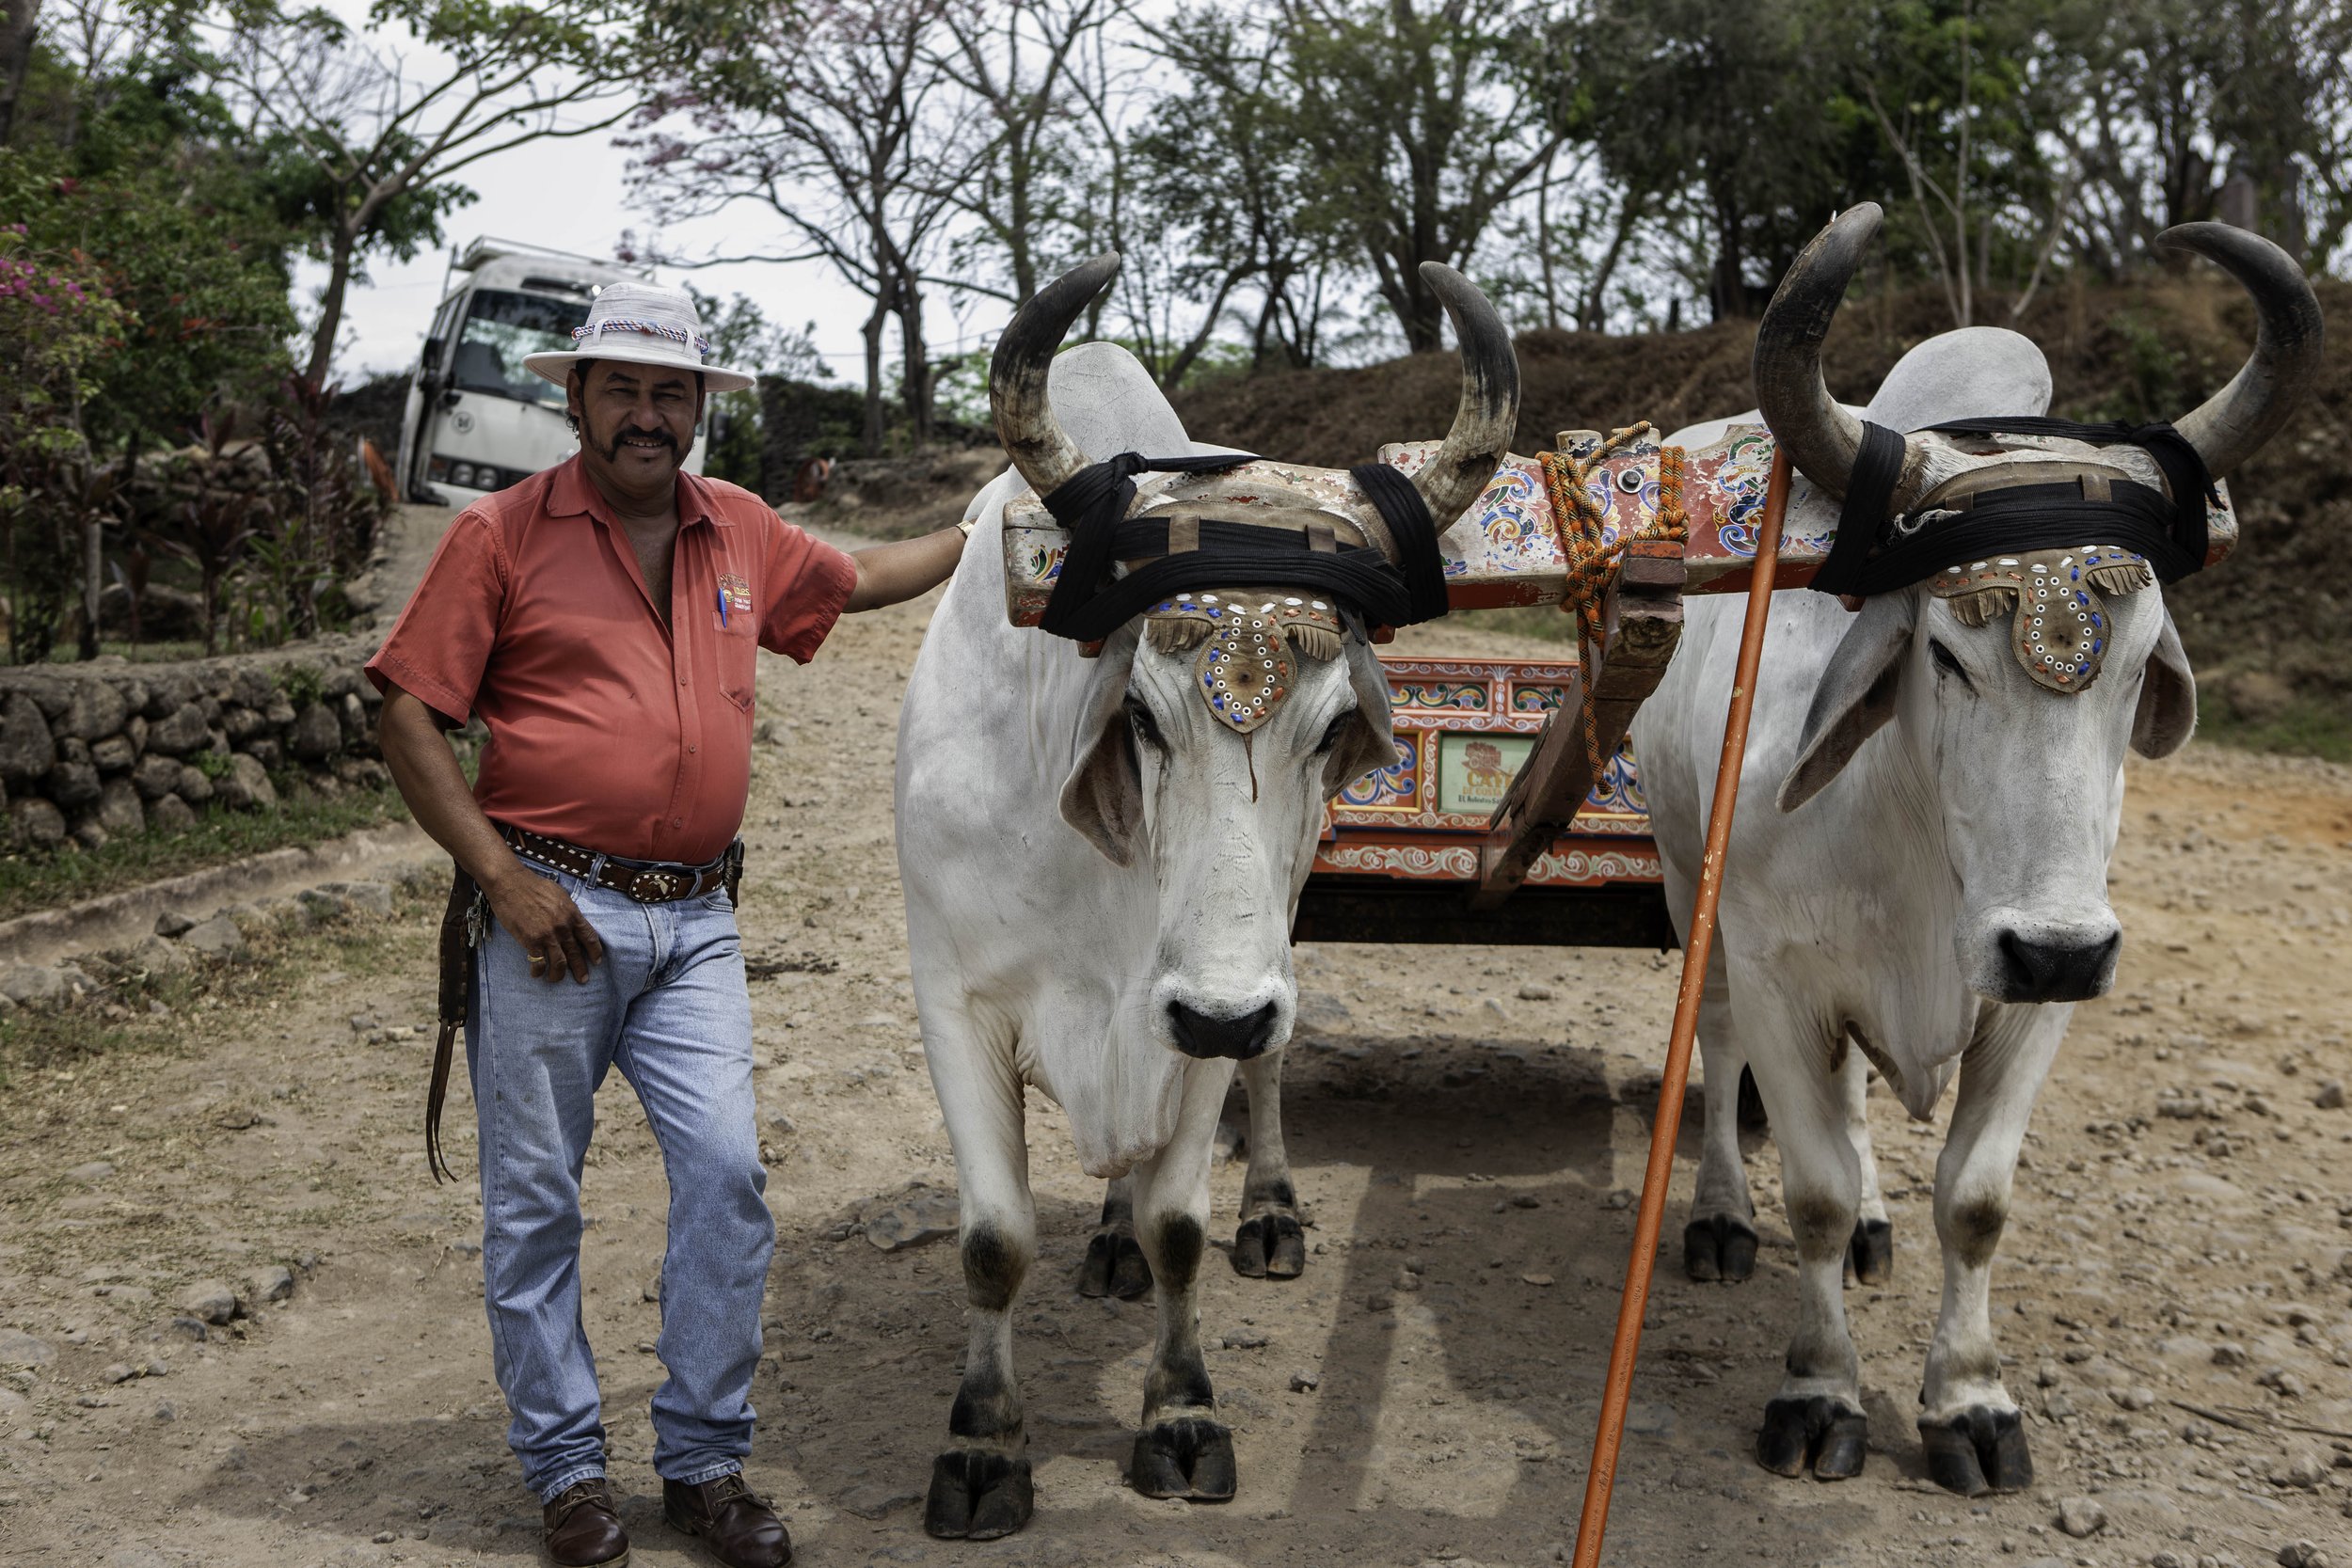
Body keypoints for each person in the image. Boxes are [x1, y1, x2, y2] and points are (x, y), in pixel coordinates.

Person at [368, 282, 966, 1568]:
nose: (649, 415)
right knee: (535, 1203)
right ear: (573, 396)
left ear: (701, 407)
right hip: (546, 918)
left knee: (729, 1177)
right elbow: (407, 716)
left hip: (693, 922)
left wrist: (988, 522)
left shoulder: (738, 528)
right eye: (624, 389)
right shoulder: (501, 536)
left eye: (672, 392)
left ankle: (702, 1463)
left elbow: (865, 579)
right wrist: (503, 880)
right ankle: (570, 1476)